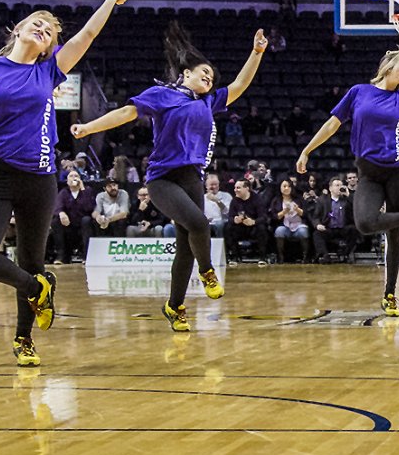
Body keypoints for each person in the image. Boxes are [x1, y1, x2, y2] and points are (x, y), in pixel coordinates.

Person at [0, 0, 128, 366]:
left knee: (31, 258)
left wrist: (108, 1)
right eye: (37, 23)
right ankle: (38, 288)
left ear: (48, 49)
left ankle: (23, 339)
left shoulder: (48, 70)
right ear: (19, 29)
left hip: (40, 179)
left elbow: (86, 36)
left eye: (50, 32)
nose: (43, 29)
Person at [72, 21, 268, 332]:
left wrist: (256, 53)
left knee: (186, 244)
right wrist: (88, 127)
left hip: (192, 176)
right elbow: (126, 113)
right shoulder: (162, 95)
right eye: (203, 73)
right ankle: (207, 272)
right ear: (186, 73)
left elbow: (240, 85)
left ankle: (174, 306)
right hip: (162, 179)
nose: (209, 78)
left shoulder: (207, 100)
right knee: (199, 224)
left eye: (212, 77)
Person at [297, 17, 399, 317]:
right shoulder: (359, 92)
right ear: (388, 68)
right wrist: (307, 149)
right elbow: (333, 124)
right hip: (369, 171)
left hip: (398, 171)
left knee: (393, 236)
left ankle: (390, 295)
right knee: (366, 223)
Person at [50, 170, 97, 263]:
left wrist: (82, 189)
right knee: (55, 221)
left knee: (86, 220)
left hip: (83, 225)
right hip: (68, 225)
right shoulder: (64, 192)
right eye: (71, 176)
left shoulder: (87, 190)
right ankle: (61, 256)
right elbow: (58, 207)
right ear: (67, 181)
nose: (74, 178)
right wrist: (61, 213)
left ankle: (86, 256)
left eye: (76, 176)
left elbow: (89, 208)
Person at [312, 177, 358, 261]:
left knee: (354, 230)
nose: (340, 187)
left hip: (343, 228)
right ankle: (325, 255)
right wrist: (318, 224)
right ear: (330, 188)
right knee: (317, 234)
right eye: (337, 185)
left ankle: (345, 253)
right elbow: (315, 216)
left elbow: (357, 207)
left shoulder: (346, 200)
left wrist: (348, 195)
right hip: (329, 228)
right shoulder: (322, 200)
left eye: (341, 185)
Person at [269, 178, 310, 263]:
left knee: (303, 231)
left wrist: (298, 210)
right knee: (279, 231)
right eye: (284, 186)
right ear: (280, 188)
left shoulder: (299, 199)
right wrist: (284, 212)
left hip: (298, 225)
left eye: (289, 186)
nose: (286, 188)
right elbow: (274, 217)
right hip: (284, 226)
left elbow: (306, 214)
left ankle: (305, 256)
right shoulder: (276, 200)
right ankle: (280, 257)